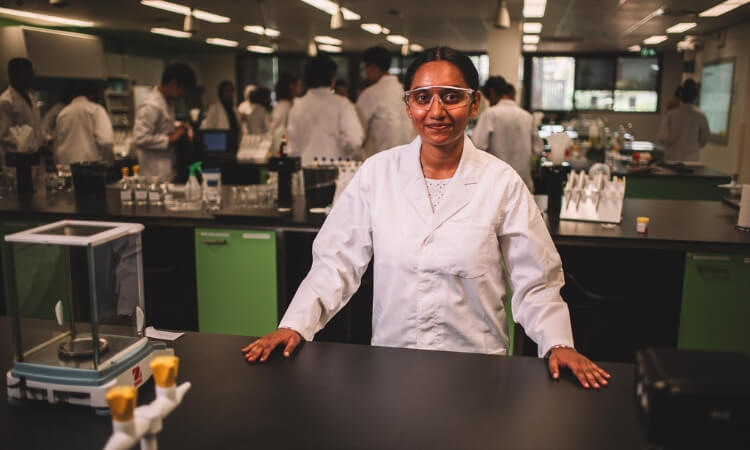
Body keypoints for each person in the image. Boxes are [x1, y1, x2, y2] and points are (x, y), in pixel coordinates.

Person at [244, 47, 611, 390]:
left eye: (451, 96)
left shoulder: (500, 183)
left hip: (477, 370)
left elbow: (536, 280)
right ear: (408, 105)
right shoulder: (378, 173)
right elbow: (335, 262)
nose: (436, 111)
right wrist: (294, 324)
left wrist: (558, 343)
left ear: (474, 103)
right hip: (392, 362)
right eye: (422, 97)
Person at [286, 55, 363, 165]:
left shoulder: (297, 106)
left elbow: (293, 147)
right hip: (335, 169)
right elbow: (355, 141)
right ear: (333, 79)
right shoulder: (342, 104)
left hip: (304, 169)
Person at [472, 76, 542, 191]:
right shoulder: (527, 117)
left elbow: (478, 146)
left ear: (492, 93)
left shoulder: (490, 114)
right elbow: (538, 149)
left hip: (497, 183)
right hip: (523, 183)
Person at [132, 62, 196, 181]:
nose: (183, 95)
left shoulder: (167, 102)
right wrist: (170, 139)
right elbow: (140, 138)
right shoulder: (152, 105)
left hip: (167, 171)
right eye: (183, 90)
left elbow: (161, 125)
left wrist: (178, 126)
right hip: (153, 174)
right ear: (173, 84)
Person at [356, 46, 414, 158]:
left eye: (365, 68)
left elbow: (358, 133)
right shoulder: (404, 91)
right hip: (407, 157)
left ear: (373, 67)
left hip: (380, 159)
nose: (365, 73)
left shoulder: (370, 94)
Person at [54, 80, 114, 165]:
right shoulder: (96, 110)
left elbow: (56, 147)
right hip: (90, 168)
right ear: (92, 95)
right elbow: (106, 142)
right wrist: (106, 163)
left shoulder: (63, 113)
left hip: (66, 168)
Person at [0, 58, 43, 162]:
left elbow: (35, 128)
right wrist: (30, 147)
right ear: (13, 75)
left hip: (34, 160)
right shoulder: (5, 101)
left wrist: (43, 142)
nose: (31, 78)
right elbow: (4, 135)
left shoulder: (31, 98)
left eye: (31, 74)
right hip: (16, 162)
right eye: (27, 74)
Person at [657, 79, 710, 162]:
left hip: (672, 158)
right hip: (692, 160)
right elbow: (704, 139)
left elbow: (663, 137)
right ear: (696, 95)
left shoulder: (671, 115)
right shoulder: (701, 116)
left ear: (681, 94)